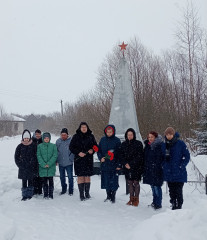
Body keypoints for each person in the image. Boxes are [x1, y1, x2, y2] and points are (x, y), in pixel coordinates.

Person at [162, 127, 190, 210]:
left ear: (173, 134)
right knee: (171, 190)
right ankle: (173, 204)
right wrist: (163, 165)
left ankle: (179, 205)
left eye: (170, 134)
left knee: (178, 190)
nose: (168, 136)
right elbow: (161, 157)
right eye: (167, 134)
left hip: (179, 172)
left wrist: (182, 165)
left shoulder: (180, 143)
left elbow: (187, 156)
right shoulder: (164, 145)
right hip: (169, 172)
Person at [69, 122, 97, 201]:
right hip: (79, 160)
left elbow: (95, 146)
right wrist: (78, 152)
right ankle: (81, 195)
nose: (84, 128)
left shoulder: (91, 136)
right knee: (81, 177)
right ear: (80, 128)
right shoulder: (75, 137)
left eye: (85, 127)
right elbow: (71, 147)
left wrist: (92, 150)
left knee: (87, 176)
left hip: (88, 159)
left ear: (87, 128)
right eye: (82, 127)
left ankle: (87, 194)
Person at [97, 125, 121, 203]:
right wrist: (101, 158)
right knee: (106, 180)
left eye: (111, 132)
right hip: (105, 164)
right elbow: (99, 150)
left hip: (114, 164)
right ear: (105, 132)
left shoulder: (117, 140)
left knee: (114, 181)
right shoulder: (102, 140)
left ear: (113, 132)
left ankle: (113, 196)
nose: (109, 133)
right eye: (108, 132)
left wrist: (118, 164)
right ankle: (108, 195)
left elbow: (119, 153)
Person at [120, 128, 144, 207]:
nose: (129, 136)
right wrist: (125, 163)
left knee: (136, 183)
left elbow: (139, 156)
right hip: (127, 167)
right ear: (126, 135)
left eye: (131, 135)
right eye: (128, 135)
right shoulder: (123, 144)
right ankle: (131, 199)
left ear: (133, 135)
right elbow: (121, 156)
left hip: (136, 167)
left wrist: (131, 164)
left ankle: (136, 199)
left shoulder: (138, 143)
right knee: (129, 183)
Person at [14, 129, 38, 201]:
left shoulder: (33, 145)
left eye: (27, 138)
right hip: (23, 168)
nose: (26, 139)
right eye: (25, 138)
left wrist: (33, 163)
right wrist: (20, 165)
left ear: (29, 138)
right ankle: (24, 195)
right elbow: (16, 157)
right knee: (24, 181)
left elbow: (36, 156)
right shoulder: (19, 146)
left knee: (30, 181)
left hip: (31, 167)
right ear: (23, 138)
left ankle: (30, 195)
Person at [143, 131, 163, 210]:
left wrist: (158, 166)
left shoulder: (159, 146)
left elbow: (161, 158)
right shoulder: (147, 146)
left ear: (155, 137)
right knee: (152, 187)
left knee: (157, 187)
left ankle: (158, 204)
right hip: (149, 169)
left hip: (157, 169)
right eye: (149, 137)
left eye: (152, 137)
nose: (150, 138)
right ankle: (154, 202)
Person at [37, 132, 57, 199]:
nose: (46, 139)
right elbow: (38, 156)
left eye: (47, 138)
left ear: (49, 138)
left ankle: (51, 194)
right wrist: (43, 164)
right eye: (45, 138)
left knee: (51, 181)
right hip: (43, 168)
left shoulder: (53, 146)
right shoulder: (39, 146)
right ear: (43, 138)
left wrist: (49, 163)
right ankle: (45, 194)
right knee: (44, 182)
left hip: (51, 167)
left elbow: (55, 155)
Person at [56, 128, 74, 195]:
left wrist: (71, 158)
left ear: (67, 135)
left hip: (69, 162)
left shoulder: (71, 141)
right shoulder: (58, 141)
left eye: (65, 135)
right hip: (61, 163)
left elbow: (73, 151)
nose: (63, 136)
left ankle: (71, 190)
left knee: (70, 177)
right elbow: (56, 151)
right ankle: (64, 189)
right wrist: (56, 160)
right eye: (62, 135)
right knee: (62, 177)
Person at [32, 129, 43, 195]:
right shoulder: (32, 141)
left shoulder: (42, 140)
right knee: (34, 176)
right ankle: (34, 190)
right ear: (34, 134)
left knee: (40, 176)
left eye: (39, 134)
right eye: (36, 134)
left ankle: (40, 190)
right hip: (34, 161)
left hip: (41, 160)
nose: (37, 135)